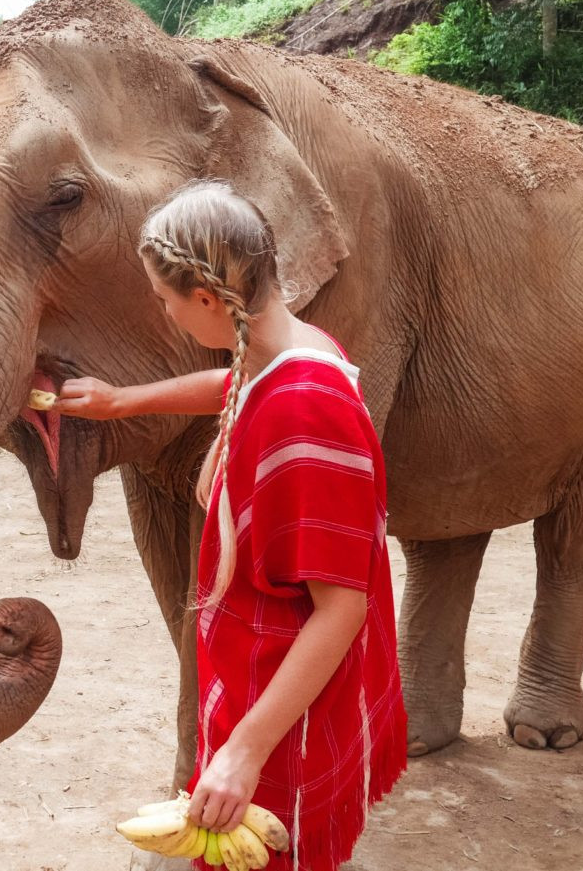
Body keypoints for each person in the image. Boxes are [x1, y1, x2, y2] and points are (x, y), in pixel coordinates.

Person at [52, 179, 408, 870]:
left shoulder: (307, 412)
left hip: (282, 711)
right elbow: (240, 381)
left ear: (208, 300)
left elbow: (342, 607)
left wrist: (245, 751)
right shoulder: (293, 347)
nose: (166, 314)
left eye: (165, 299)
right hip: (257, 678)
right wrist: (121, 402)